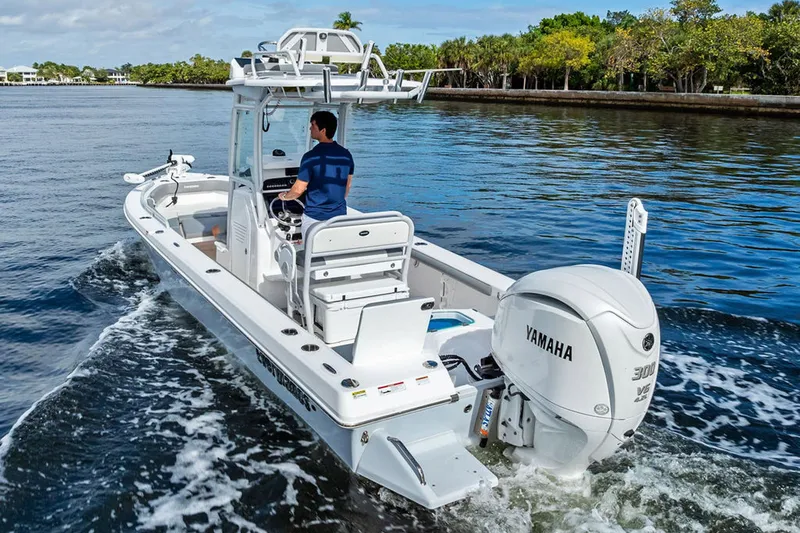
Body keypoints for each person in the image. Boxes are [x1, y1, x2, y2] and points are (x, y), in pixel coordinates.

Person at [278, 110, 354, 241]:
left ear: (323, 130)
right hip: (339, 217)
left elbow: (297, 191)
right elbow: (347, 188)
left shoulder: (311, 157)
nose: (310, 128)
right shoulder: (346, 155)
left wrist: (284, 197)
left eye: (313, 125)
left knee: (312, 252)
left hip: (315, 219)